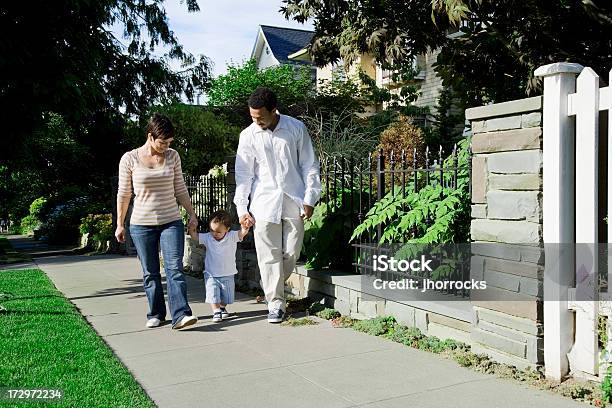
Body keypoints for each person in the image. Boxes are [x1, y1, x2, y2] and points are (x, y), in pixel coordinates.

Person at [234, 87, 321, 323]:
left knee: (292, 251)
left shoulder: (295, 128)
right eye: (253, 117)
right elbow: (243, 176)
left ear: (273, 110)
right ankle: (275, 303)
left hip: (294, 198)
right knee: (267, 255)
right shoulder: (248, 135)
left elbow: (309, 165)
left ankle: (270, 281)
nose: (256, 121)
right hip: (263, 203)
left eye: (260, 117)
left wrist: (310, 197)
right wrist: (242, 209)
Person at [115, 113, 198, 330]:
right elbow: (124, 194)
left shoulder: (173, 156)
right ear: (150, 137)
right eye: (163, 142)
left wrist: (191, 213)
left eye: (169, 142)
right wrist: (120, 224)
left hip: (171, 220)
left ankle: (181, 314)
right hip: (141, 224)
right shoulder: (130, 159)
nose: (166, 146)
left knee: (175, 268)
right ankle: (156, 313)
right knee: (150, 272)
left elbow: (179, 188)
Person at [188, 210, 250, 322]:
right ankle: (216, 311)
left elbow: (242, 233)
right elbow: (196, 237)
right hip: (211, 273)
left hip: (228, 273)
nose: (214, 234)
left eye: (218, 232)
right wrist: (192, 230)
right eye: (212, 230)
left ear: (227, 229)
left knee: (227, 297)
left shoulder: (232, 236)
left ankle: (222, 307)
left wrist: (245, 227)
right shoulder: (208, 237)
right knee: (212, 294)